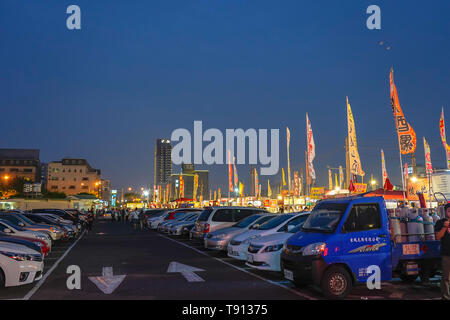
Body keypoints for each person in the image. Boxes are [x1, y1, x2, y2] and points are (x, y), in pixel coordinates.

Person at [435, 203, 450, 300]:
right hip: (447, 253)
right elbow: (438, 237)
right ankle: (446, 296)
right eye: (449, 211)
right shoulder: (440, 222)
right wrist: (445, 227)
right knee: (446, 277)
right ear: (445, 212)